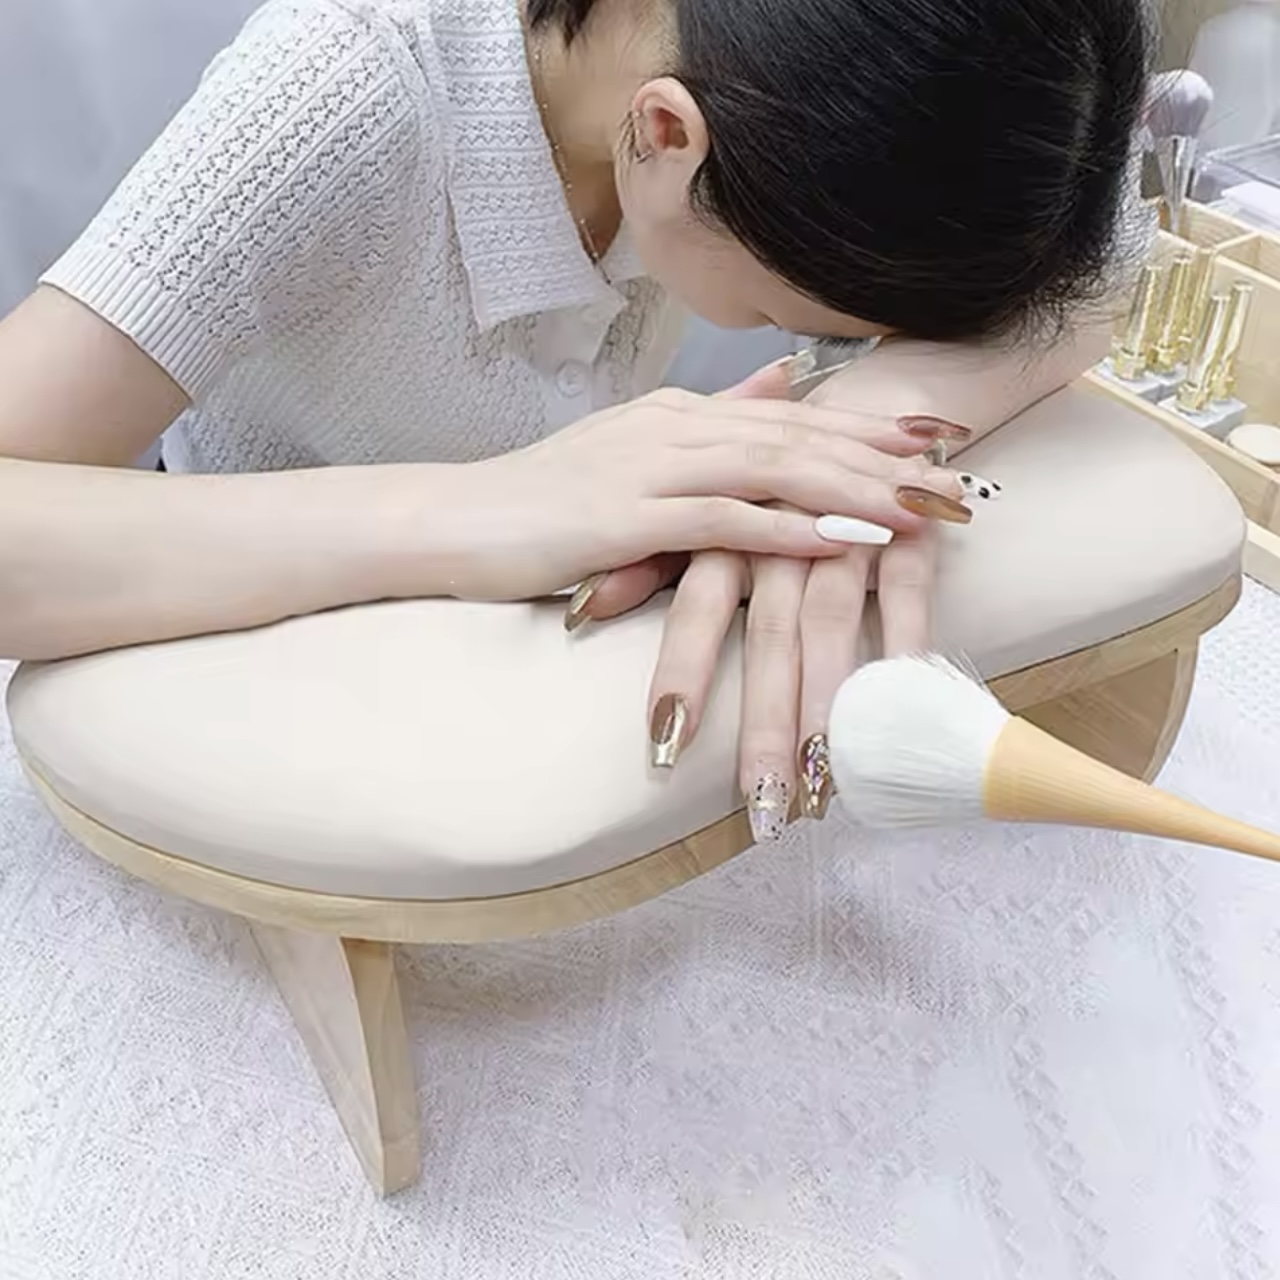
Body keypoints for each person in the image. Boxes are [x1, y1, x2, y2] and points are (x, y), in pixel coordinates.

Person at [0, 0, 1150, 840]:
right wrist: (476, 509)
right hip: (249, 702)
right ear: (666, 134)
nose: (822, 344)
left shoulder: (712, 70)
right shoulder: (346, 82)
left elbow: (1111, 249)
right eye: (800, 318)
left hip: (527, 714)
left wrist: (864, 425)